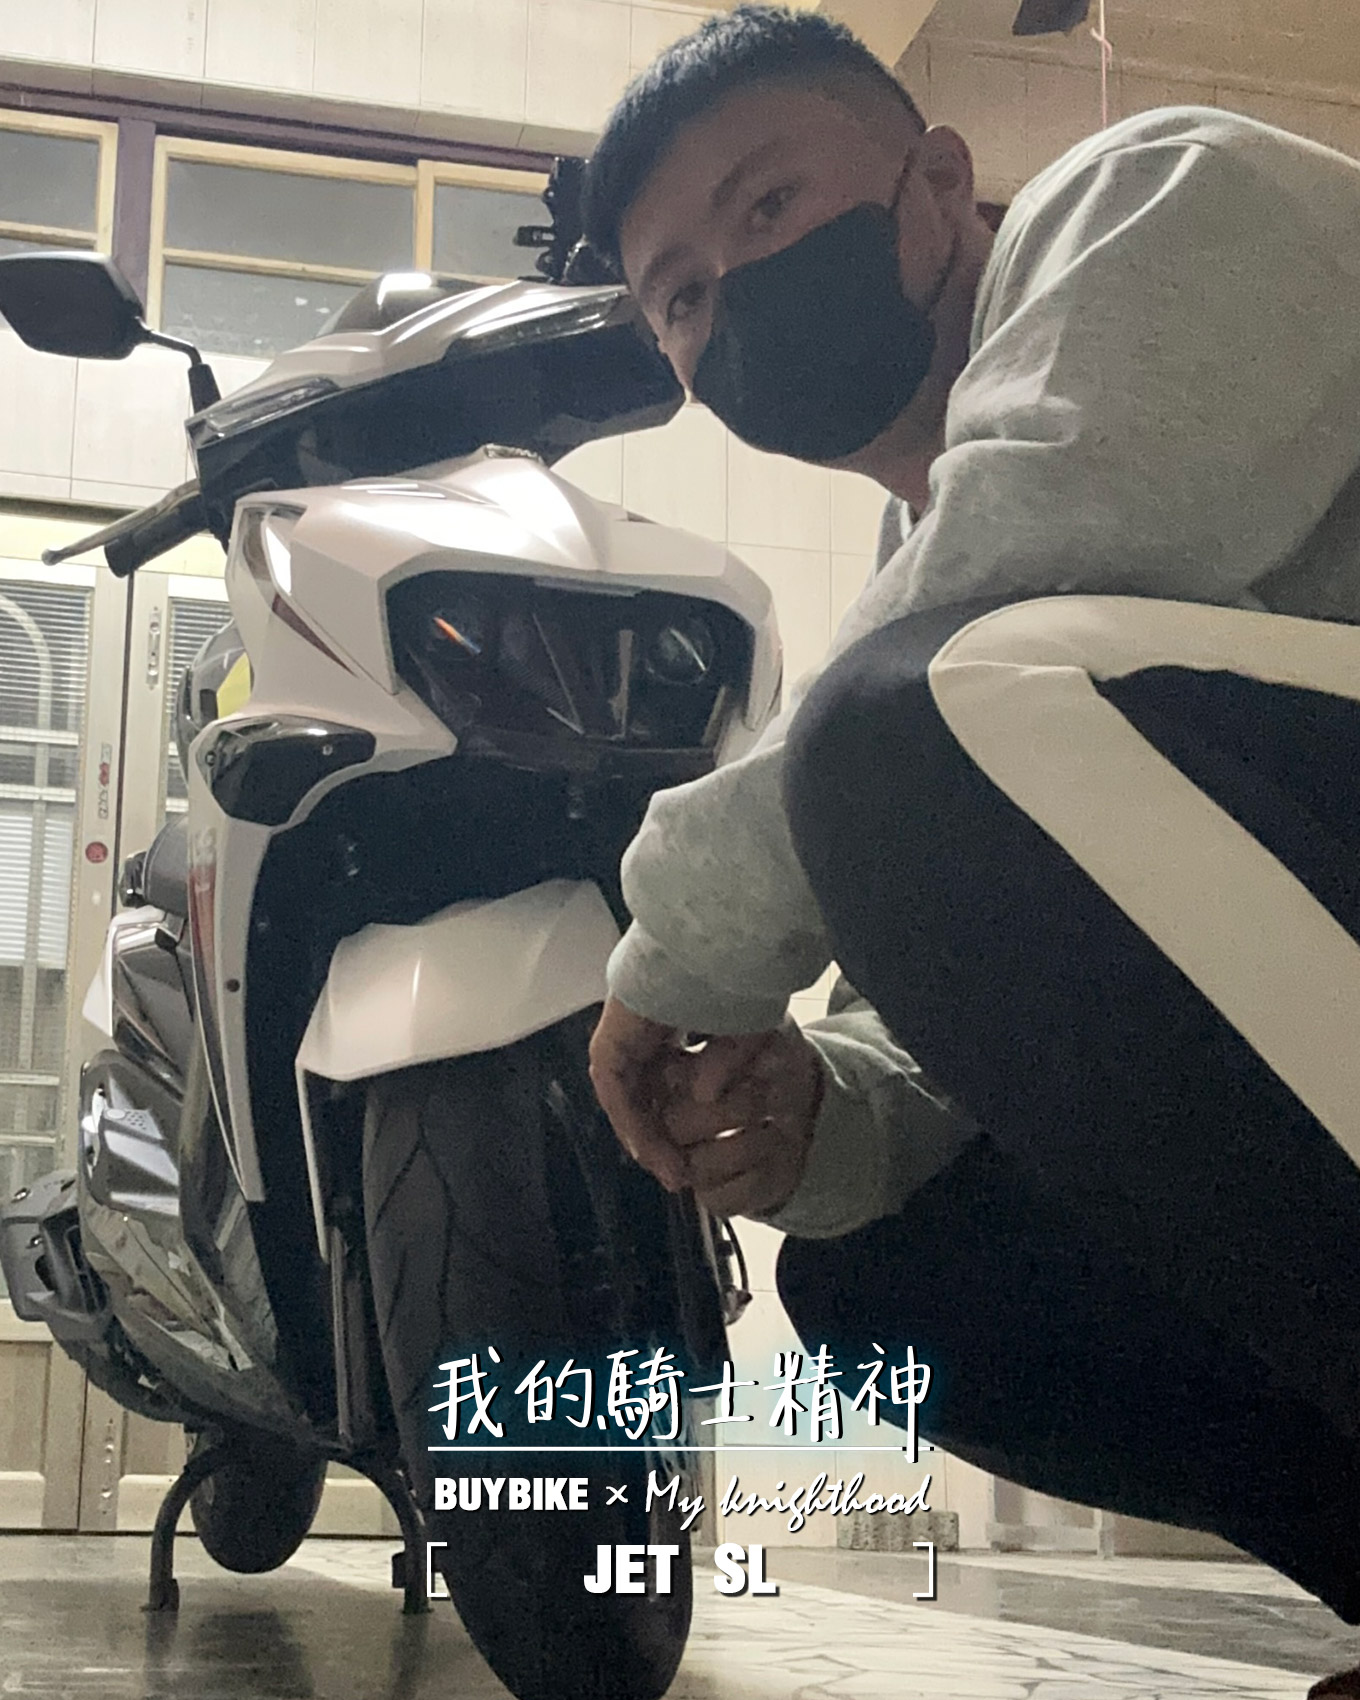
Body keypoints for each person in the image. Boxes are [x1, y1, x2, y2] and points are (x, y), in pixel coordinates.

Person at [581, 5, 1360, 1683]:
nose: (735, 293)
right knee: (886, 1275)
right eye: (682, 297)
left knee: (899, 722)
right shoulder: (921, 570)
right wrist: (821, 1119)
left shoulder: (1163, 195)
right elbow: (946, 1018)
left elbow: (1057, 551)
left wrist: (678, 941)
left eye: (770, 205)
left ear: (938, 183)